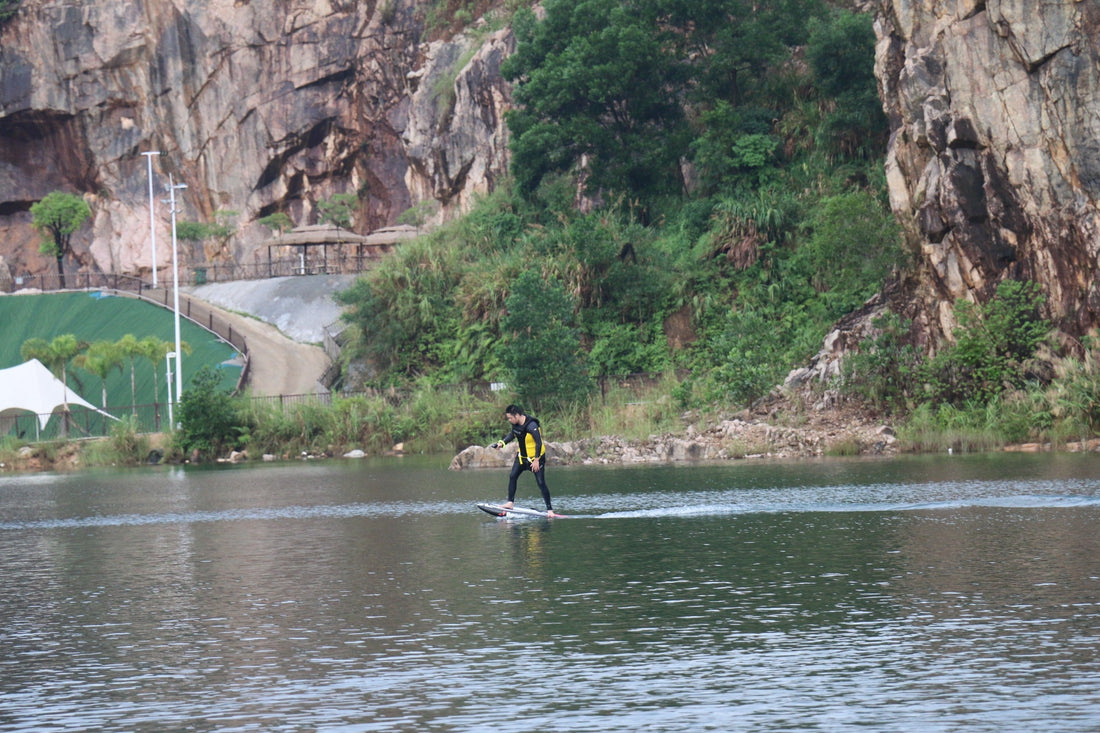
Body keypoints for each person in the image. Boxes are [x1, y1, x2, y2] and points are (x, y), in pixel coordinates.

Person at [489, 404, 556, 516]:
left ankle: (550, 511)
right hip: (522, 458)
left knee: (541, 482)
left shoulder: (531, 426)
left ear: (517, 415)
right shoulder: (516, 425)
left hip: (535, 458)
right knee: (512, 476)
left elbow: (539, 443)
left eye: (510, 418)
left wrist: (536, 460)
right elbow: (512, 434)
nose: (509, 420)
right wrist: (502, 443)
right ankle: (510, 503)